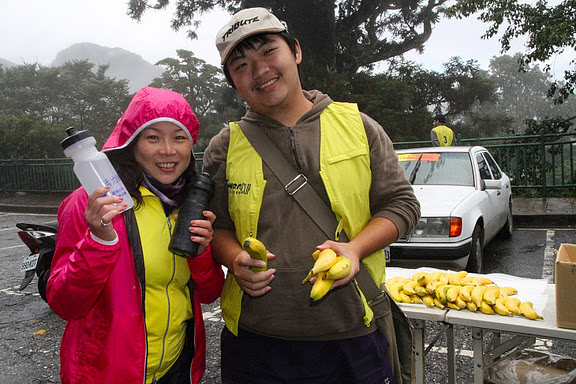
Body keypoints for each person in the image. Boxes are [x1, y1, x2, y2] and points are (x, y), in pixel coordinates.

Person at [204, 7, 421, 384]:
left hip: (352, 335)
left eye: (269, 52)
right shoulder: (225, 147)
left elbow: (402, 205)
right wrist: (234, 258)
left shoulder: (358, 126)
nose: (259, 71)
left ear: (296, 51)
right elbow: (216, 226)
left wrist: (354, 250)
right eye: (241, 65)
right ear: (232, 81)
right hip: (256, 344)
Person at [47, 86, 225, 384]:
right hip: (106, 374)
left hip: (176, 370)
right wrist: (98, 240)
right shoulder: (93, 202)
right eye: (153, 137)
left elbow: (209, 294)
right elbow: (66, 304)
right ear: (131, 143)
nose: (168, 150)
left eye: (178, 137)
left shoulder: (190, 203)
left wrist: (202, 251)